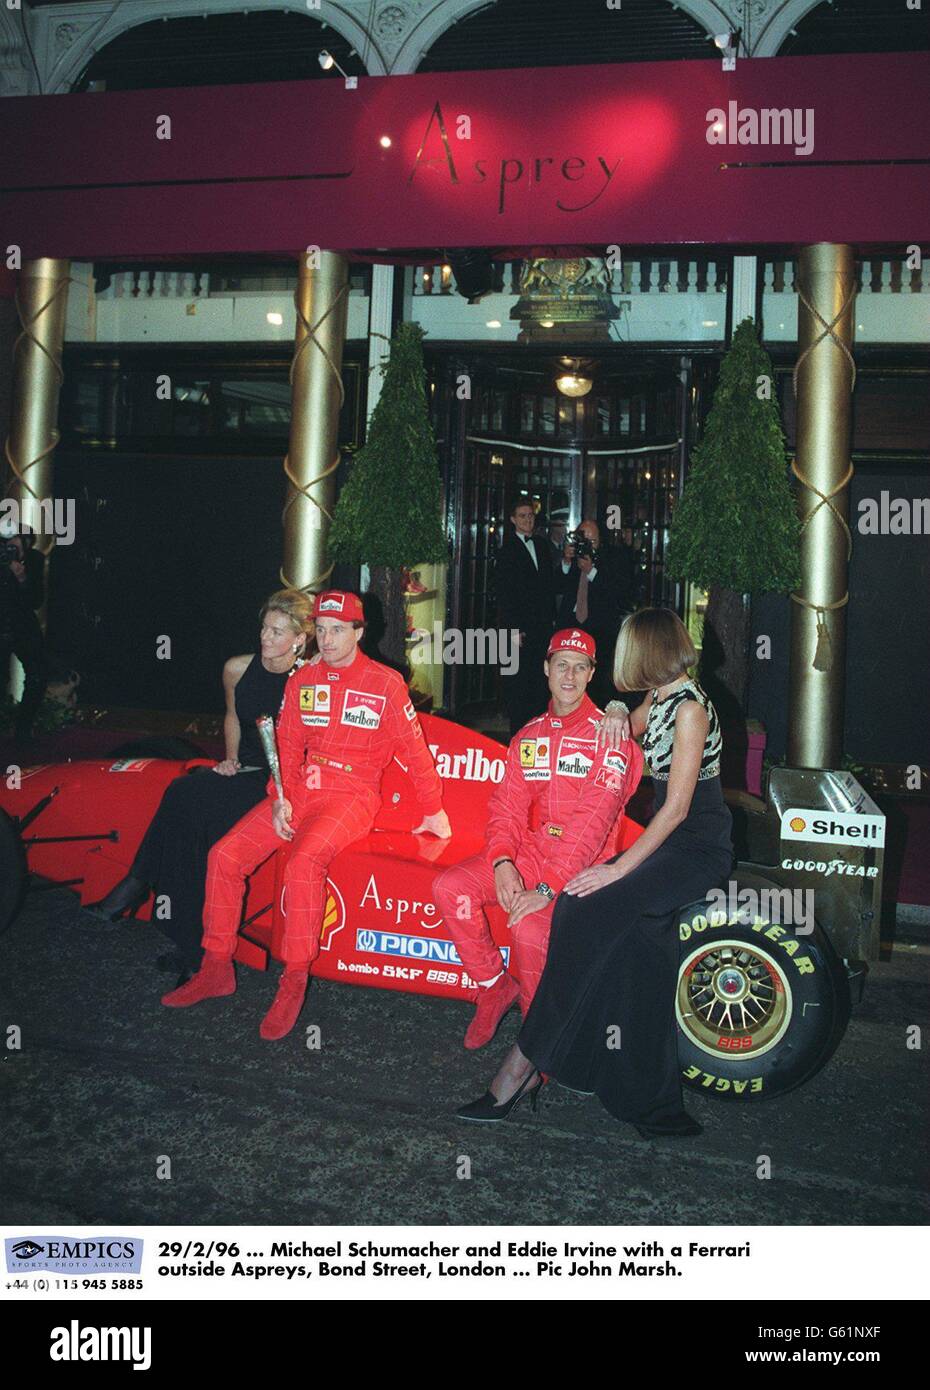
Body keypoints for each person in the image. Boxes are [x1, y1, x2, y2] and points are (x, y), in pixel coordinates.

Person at [456, 608, 732, 1134]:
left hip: (696, 845)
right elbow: (619, 726)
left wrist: (617, 870)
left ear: (647, 650)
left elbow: (676, 810)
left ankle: (522, 1066)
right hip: (667, 842)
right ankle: (630, 1088)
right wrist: (610, 707)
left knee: (581, 907)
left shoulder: (690, 708)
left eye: (629, 647)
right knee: (637, 950)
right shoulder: (661, 695)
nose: (621, 660)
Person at [162, 589, 452, 1040]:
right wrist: (281, 797)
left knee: (302, 862)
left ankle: (294, 979)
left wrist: (434, 810)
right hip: (302, 790)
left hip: (353, 795)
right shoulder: (304, 680)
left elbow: (415, 752)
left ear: (359, 632)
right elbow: (288, 747)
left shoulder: (385, 683)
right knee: (224, 856)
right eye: (321, 629)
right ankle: (216, 966)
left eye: (338, 630)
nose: (328, 639)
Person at [83, 591, 314, 986]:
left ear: (298, 639)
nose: (264, 636)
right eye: (263, 627)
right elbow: (233, 719)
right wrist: (229, 760)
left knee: (190, 808)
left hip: (282, 784)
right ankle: (187, 938)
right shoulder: (238, 668)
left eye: (276, 631)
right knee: (184, 796)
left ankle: (139, 887)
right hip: (246, 770)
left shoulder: (309, 679)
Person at [433, 628, 642, 1049]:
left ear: (591, 674)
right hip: (532, 852)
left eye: (580, 667)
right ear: (546, 669)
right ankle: (494, 987)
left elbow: (592, 823)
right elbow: (506, 809)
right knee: (450, 887)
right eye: (561, 665)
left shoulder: (610, 735)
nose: (569, 676)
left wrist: (548, 888)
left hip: (588, 867)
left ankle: (536, 1042)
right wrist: (502, 862)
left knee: (529, 930)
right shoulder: (530, 736)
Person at [557, 518, 635, 708]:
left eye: (592, 541)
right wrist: (566, 562)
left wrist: (591, 571)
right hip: (572, 624)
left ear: (600, 540)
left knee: (598, 678)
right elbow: (557, 586)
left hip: (600, 627)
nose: (587, 545)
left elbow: (619, 592)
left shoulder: (613, 558)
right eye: (583, 539)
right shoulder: (572, 555)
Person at [496, 497, 555, 736]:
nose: (528, 519)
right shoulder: (506, 551)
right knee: (519, 685)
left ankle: (538, 732)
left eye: (530, 515)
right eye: (522, 516)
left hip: (542, 626)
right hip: (519, 629)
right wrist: (513, 630)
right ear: (513, 520)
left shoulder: (541, 545)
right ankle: (518, 736)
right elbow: (504, 594)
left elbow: (549, 585)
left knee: (540, 681)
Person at [0, 524, 48, 745]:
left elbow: (36, 600)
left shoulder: (35, 560)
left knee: (38, 674)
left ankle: (23, 730)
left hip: (22, 624)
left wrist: (22, 578)